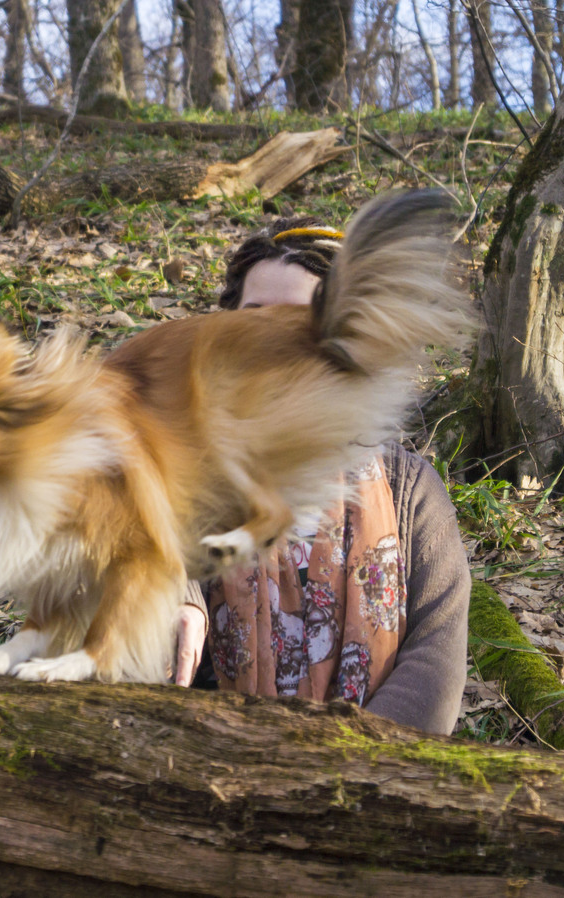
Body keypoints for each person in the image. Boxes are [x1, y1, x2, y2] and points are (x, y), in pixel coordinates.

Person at [171, 217, 471, 736]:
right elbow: (130, 547)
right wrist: (178, 596)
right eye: (254, 316)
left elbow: (435, 660)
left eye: (298, 319)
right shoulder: (188, 464)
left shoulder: (410, 489)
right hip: (211, 768)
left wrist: (344, 763)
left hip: (368, 782)